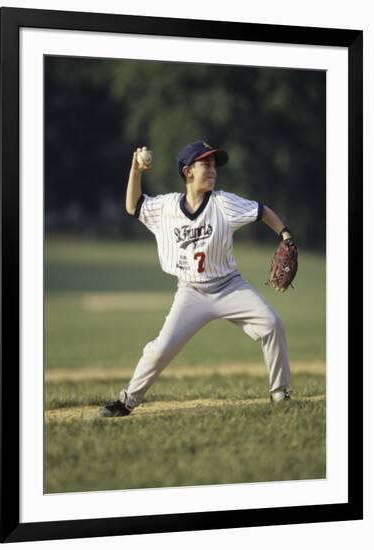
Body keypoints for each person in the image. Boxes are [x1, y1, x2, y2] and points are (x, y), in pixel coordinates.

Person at [99, 140, 294, 418]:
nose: (213, 169)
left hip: (229, 286)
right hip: (191, 293)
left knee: (272, 324)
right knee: (160, 349)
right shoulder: (166, 207)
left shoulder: (224, 203)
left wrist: (285, 235)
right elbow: (134, 206)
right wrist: (136, 170)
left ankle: (280, 394)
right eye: (206, 164)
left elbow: (262, 211)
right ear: (188, 171)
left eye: (214, 164)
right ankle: (127, 401)